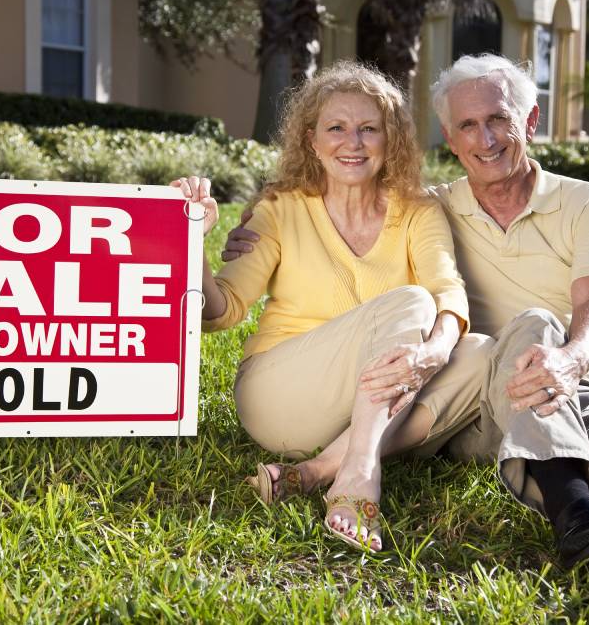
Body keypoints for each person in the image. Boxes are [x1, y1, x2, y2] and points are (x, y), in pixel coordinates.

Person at [222, 54, 589, 586]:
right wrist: (249, 226)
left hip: (564, 376)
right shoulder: (434, 206)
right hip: (471, 398)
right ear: (450, 137)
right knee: (530, 326)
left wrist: (572, 359)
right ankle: (588, 529)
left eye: (498, 119)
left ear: (530, 122)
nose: (484, 139)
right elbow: (362, 208)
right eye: (468, 125)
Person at [173, 61, 493, 552]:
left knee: (480, 353)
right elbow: (221, 311)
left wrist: (435, 352)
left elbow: (447, 290)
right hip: (280, 395)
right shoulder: (279, 210)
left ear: (391, 140)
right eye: (336, 128)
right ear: (311, 140)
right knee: (411, 302)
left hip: (367, 402)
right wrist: (192, 240)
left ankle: (322, 469)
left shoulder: (418, 210)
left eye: (369, 129)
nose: (354, 143)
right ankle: (361, 471)